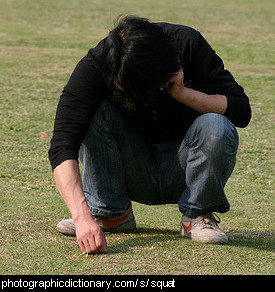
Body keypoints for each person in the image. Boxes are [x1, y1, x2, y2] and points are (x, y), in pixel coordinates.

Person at [49, 16, 251, 254]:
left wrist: (183, 93)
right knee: (90, 113)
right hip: (129, 168)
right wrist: (82, 217)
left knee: (216, 124)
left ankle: (197, 215)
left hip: (187, 168)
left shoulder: (188, 44)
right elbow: (63, 144)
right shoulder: (97, 63)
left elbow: (241, 111)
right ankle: (110, 214)